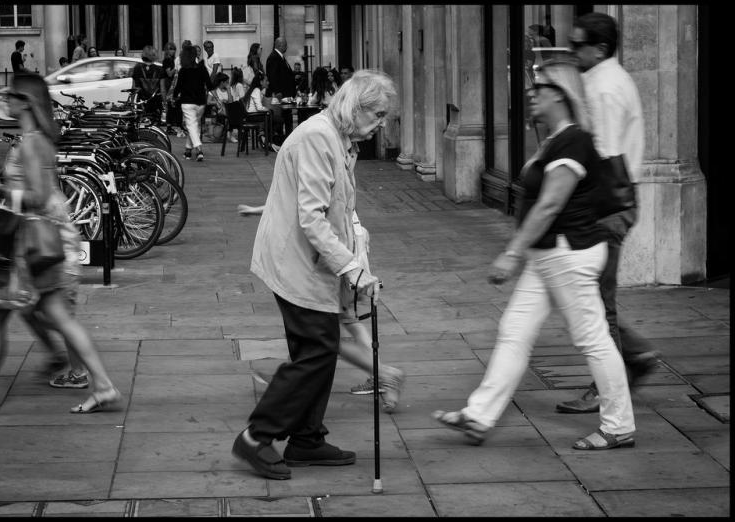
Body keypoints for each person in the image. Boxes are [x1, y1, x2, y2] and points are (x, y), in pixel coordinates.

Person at [431, 59, 636, 451]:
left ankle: (619, 425)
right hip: (549, 257)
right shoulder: (555, 139)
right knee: (514, 332)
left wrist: (511, 253)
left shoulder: (573, 140)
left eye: (538, 90)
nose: (531, 95)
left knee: (592, 338)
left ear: (559, 95)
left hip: (567, 255)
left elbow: (548, 206)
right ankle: (479, 416)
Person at [231, 69, 398, 480]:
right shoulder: (318, 137)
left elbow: (329, 205)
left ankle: (306, 439)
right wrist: (352, 269)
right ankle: (256, 436)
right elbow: (312, 217)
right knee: (317, 352)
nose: (381, 124)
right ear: (354, 106)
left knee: (315, 351)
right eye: (377, 114)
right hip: (297, 264)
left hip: (312, 264)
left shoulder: (338, 139)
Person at [0, 72, 121, 418]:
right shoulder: (32, 138)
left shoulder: (34, 142)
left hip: (30, 246)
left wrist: (0, 186)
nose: (5, 99)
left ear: (26, 101)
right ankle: (102, 386)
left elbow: (38, 197)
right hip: (32, 245)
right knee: (50, 315)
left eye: (11, 95)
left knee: (2, 316)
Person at [555, 12, 659, 415]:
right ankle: (632, 358)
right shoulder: (605, 80)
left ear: (599, 48)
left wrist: (577, 206)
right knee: (594, 297)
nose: (571, 50)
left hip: (606, 204)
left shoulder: (605, 88)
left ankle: (611, 385)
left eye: (578, 44)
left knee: (597, 302)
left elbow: (605, 156)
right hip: (611, 202)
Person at [237, 204, 406, 412]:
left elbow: (308, 208)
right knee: (333, 327)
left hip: (331, 264)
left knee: (323, 335)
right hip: (337, 259)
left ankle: (384, 374)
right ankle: (291, 380)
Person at [173, 45, 211, 161]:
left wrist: (174, 97)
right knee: (194, 126)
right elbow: (209, 85)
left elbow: (178, 87)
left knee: (191, 126)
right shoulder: (202, 68)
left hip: (187, 102)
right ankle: (188, 151)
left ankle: (199, 149)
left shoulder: (183, 70)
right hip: (200, 102)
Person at [265, 37, 296, 146]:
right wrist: (278, 92)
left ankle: (288, 138)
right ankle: (285, 139)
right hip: (281, 95)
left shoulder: (280, 57)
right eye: (285, 44)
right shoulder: (274, 57)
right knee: (284, 118)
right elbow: (272, 76)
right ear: (280, 45)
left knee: (287, 117)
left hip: (286, 94)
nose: (287, 47)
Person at [131, 45, 168, 124]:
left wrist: (131, 103)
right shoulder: (160, 69)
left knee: (141, 124)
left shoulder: (137, 68)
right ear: (154, 55)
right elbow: (163, 89)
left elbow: (133, 87)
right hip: (155, 102)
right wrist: (165, 103)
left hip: (142, 102)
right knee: (155, 126)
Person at [207, 72, 237, 143]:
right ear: (222, 82)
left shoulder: (230, 89)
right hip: (218, 110)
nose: (228, 84)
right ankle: (228, 133)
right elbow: (208, 102)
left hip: (226, 109)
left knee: (231, 111)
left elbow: (230, 102)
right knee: (230, 113)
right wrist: (219, 101)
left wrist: (229, 91)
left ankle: (230, 133)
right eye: (227, 82)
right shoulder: (214, 90)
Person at [162, 42, 182, 136]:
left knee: (177, 105)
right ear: (167, 50)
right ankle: (169, 126)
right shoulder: (167, 60)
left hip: (176, 82)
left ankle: (177, 125)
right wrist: (177, 68)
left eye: (173, 49)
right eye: (170, 49)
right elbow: (169, 73)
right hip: (169, 83)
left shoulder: (174, 59)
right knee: (170, 105)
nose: (172, 51)